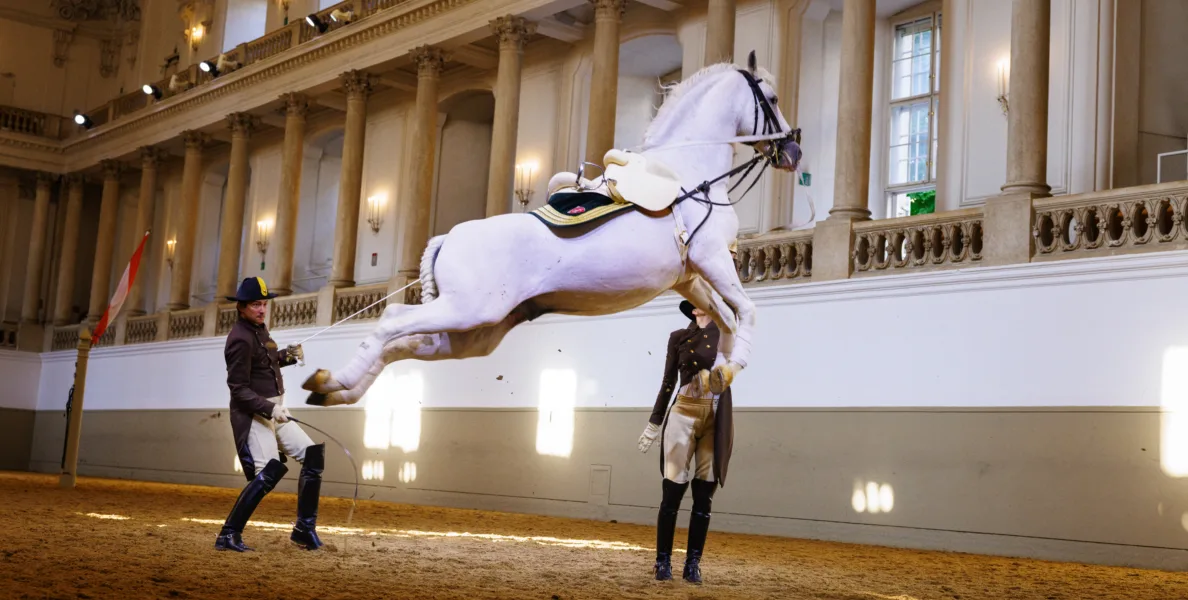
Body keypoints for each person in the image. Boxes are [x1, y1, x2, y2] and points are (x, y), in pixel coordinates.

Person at [214, 277, 324, 552]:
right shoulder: (239, 338)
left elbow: (265, 364)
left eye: (264, 304)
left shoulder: (260, 330)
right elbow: (238, 389)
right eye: (255, 305)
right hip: (255, 415)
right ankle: (228, 534)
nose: (262, 309)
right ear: (241, 307)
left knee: (312, 455)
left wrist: (288, 355)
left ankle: (303, 530)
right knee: (269, 471)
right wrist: (271, 409)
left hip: (275, 411)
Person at [638, 299, 734, 584]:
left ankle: (693, 563)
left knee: (704, 494)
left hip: (715, 416)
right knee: (673, 491)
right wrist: (655, 421)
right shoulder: (678, 338)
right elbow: (668, 380)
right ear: (694, 309)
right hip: (683, 412)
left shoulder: (726, 334)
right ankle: (662, 561)